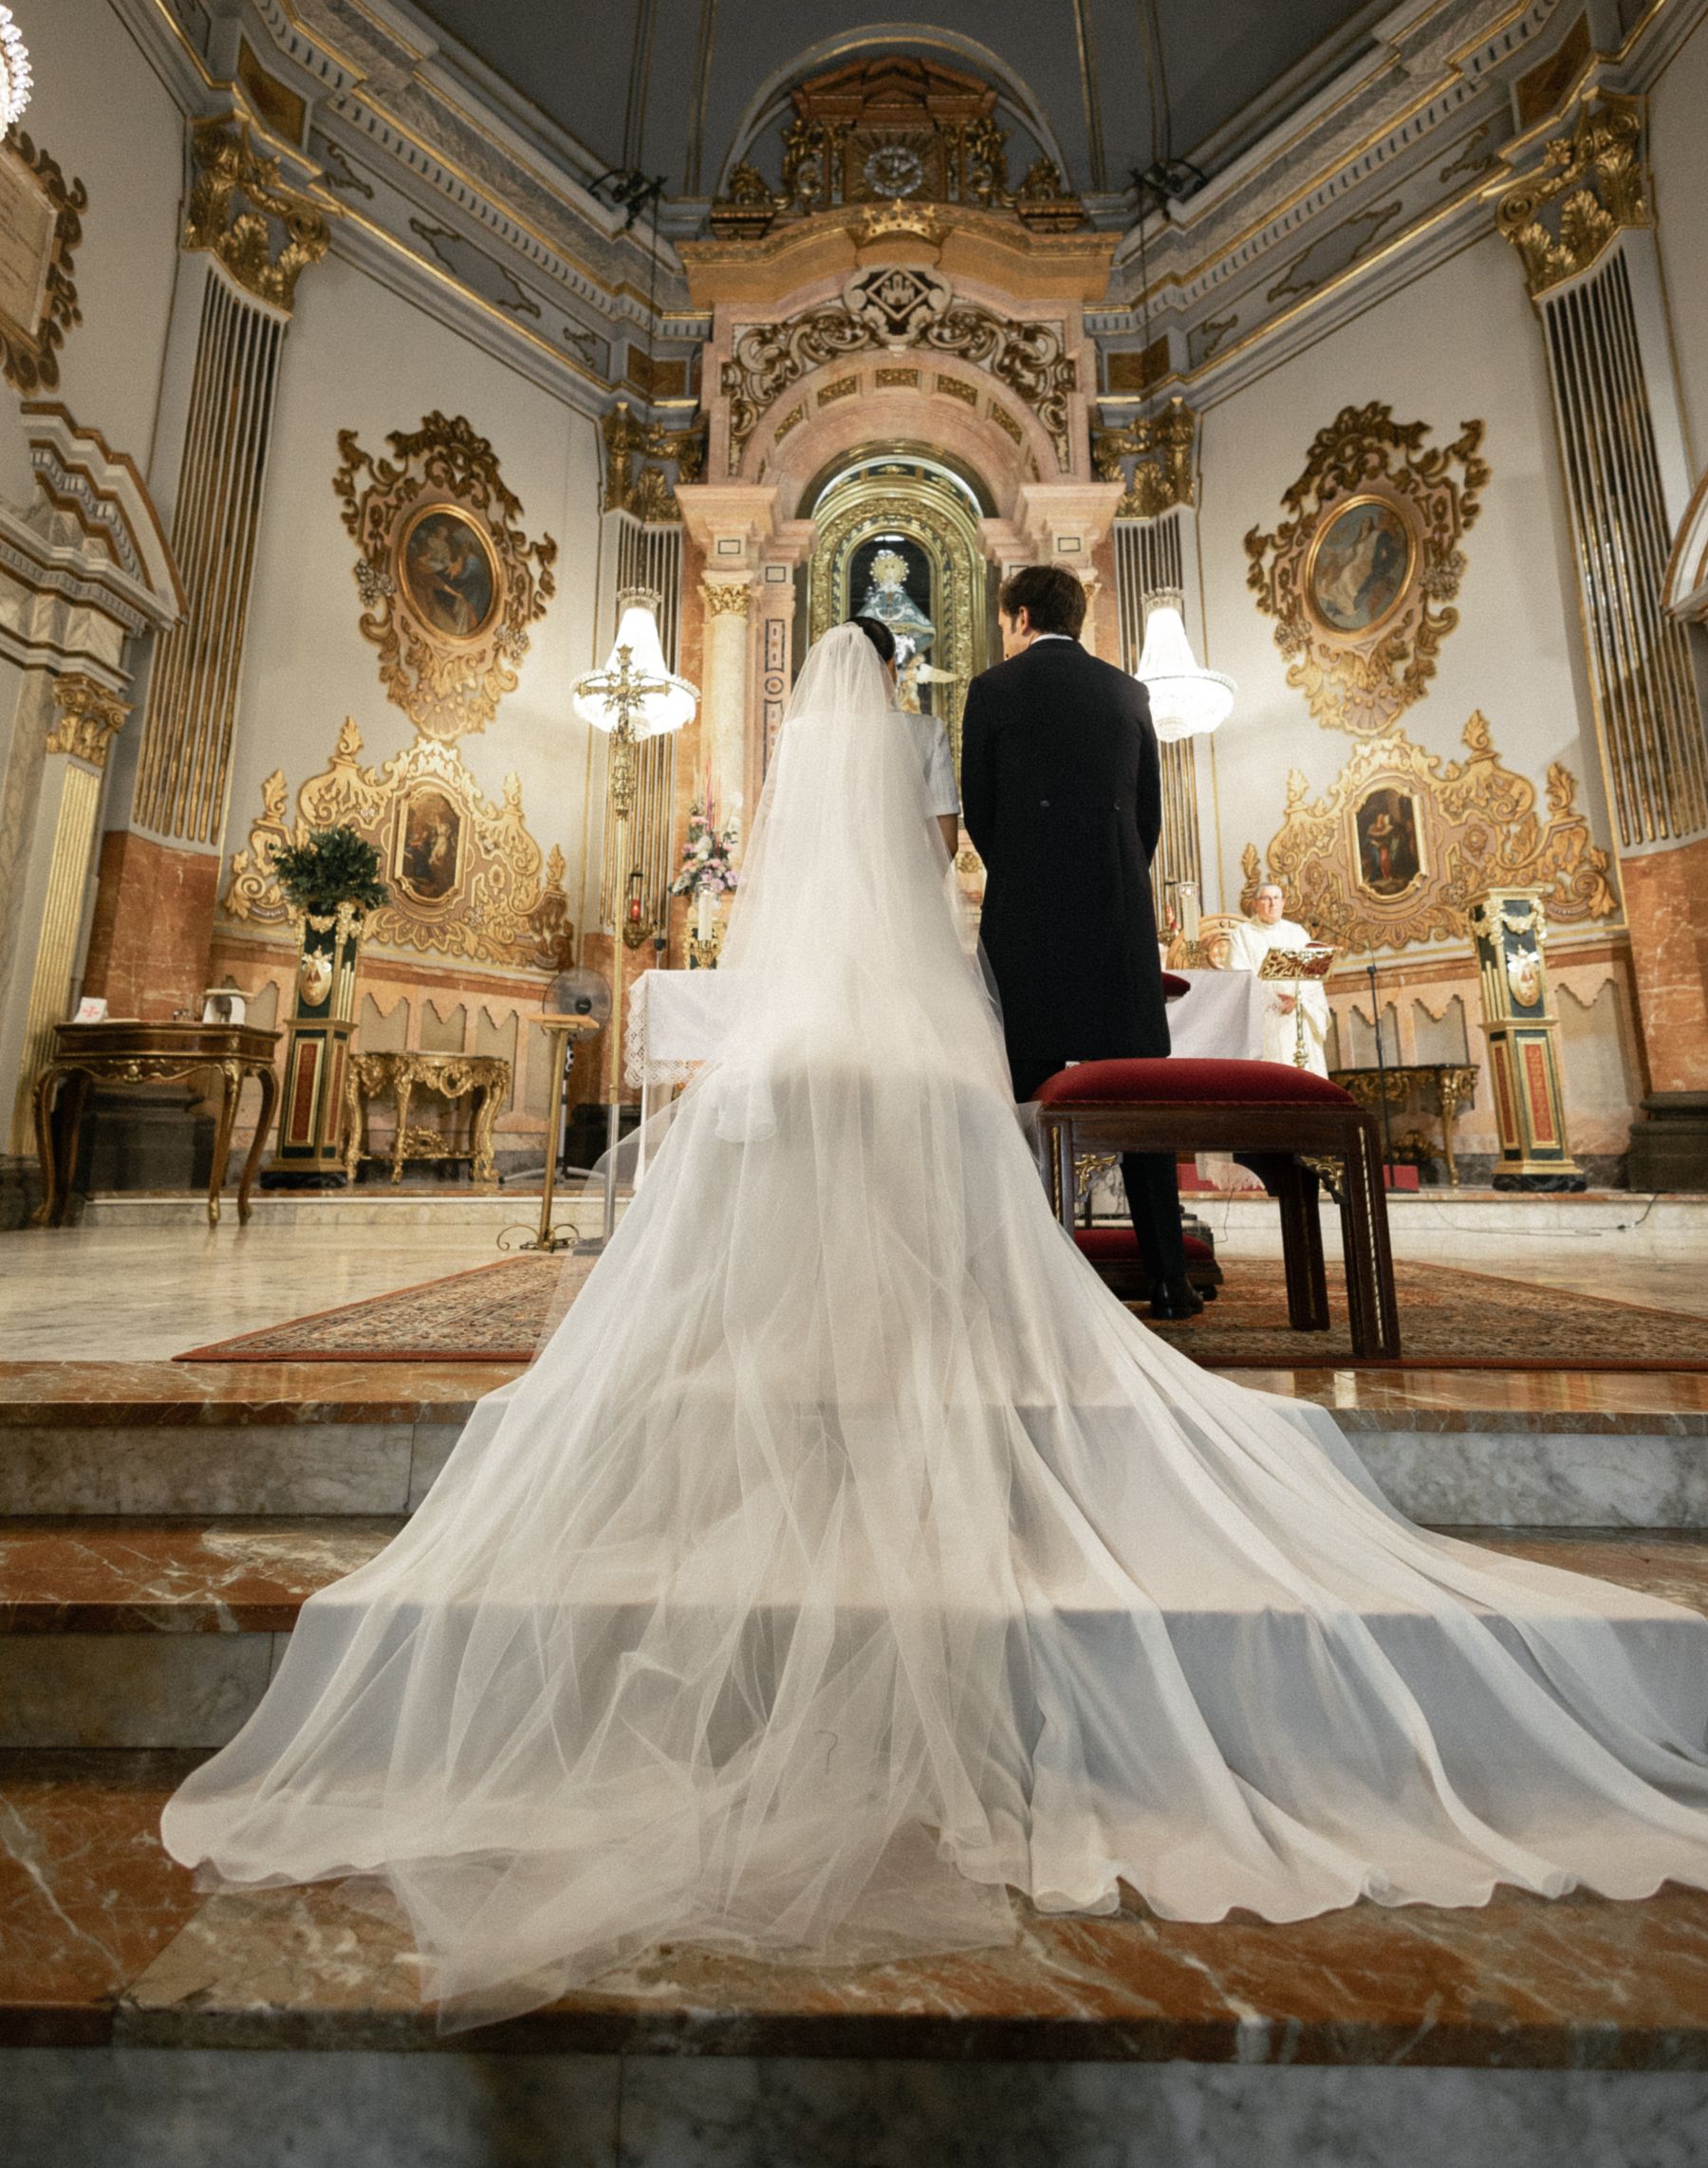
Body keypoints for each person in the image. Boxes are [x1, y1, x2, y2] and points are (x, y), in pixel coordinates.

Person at [162, 624, 1708, 2028]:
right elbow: (931, 867)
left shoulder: (814, 758)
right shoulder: (932, 738)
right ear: (899, 680)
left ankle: (789, 1340)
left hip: (809, 1017)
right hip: (917, 1003)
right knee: (973, 1122)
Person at [959, 563, 1199, 1320]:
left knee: (1021, 1095)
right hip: (1117, 917)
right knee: (1138, 1098)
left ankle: (1022, 1276)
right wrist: (1114, 881)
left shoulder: (994, 690)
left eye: (1007, 621)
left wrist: (1028, 875)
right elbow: (1149, 817)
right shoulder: (1128, 692)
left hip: (1025, 920)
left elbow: (981, 810)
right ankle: (1169, 1276)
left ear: (1022, 615)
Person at [851, 612, 956, 856]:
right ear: (891, 666)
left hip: (816, 892)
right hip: (904, 890)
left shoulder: (796, 734)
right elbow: (946, 841)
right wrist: (914, 890)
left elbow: (781, 831)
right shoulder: (928, 732)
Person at [1230, 880, 1329, 1075]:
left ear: (1284, 903)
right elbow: (1239, 975)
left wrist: (1298, 999)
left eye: (1276, 898)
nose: (1272, 903)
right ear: (1255, 904)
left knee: (1305, 1075)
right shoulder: (1242, 935)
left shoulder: (1297, 933)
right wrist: (1273, 999)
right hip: (1266, 1016)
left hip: (1299, 1014)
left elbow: (1312, 977)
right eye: (1266, 898)